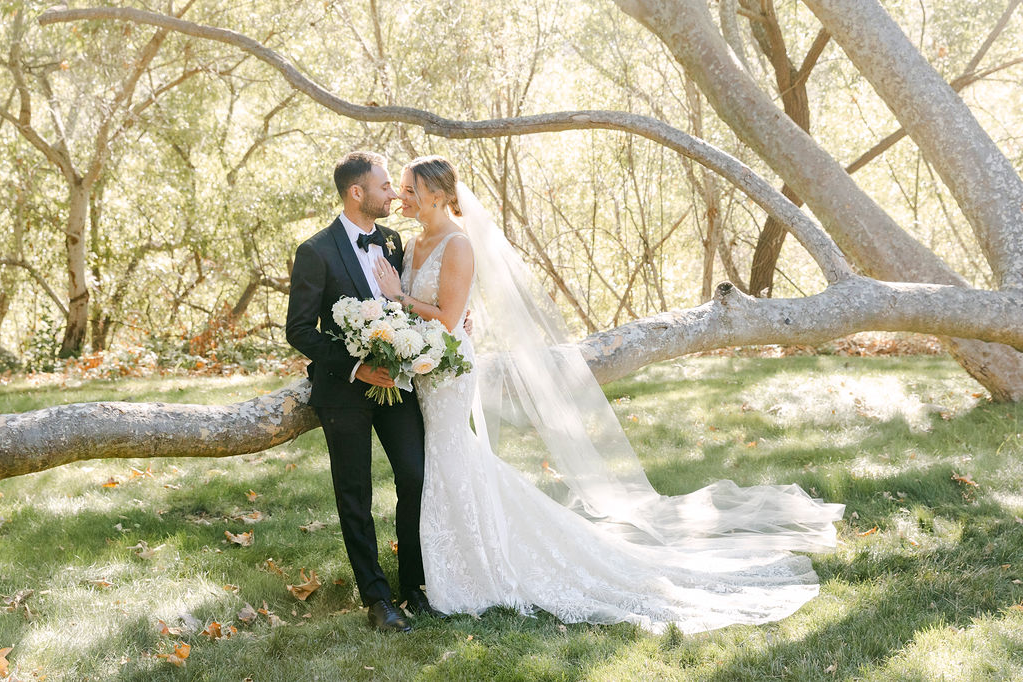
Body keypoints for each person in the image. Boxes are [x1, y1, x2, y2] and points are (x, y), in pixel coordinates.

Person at [372, 155, 845, 633]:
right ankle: (447, 563)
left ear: (435, 193)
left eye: (409, 190)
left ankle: (467, 567)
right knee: (446, 462)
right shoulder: (412, 245)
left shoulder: (458, 244)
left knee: (451, 457)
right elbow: (437, 312)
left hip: (449, 373)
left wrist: (399, 298)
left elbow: (449, 318)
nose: (402, 198)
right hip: (426, 368)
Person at [285, 151, 437, 633]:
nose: (394, 193)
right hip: (344, 390)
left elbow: (405, 306)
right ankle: (377, 599)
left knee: (415, 478)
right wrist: (356, 367)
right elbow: (299, 330)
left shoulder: (392, 242)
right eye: (386, 186)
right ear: (358, 193)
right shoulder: (315, 251)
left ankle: (416, 584)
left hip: (397, 385)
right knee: (355, 493)